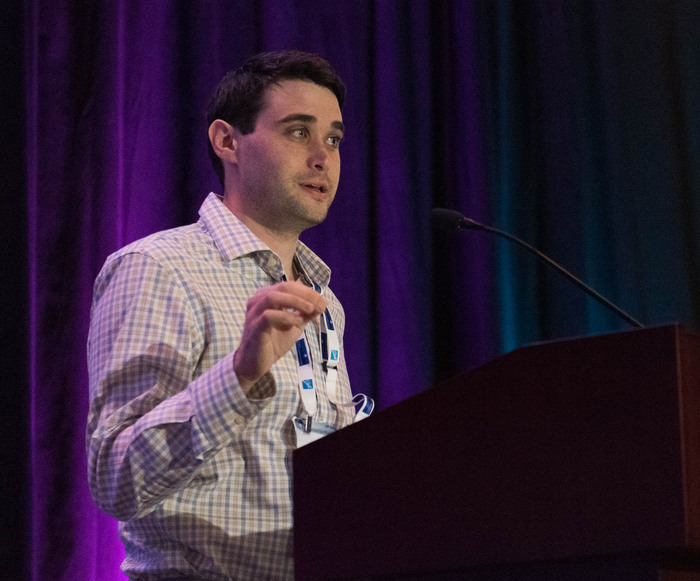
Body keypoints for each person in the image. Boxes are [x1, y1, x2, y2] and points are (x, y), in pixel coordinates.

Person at [87, 50, 370, 580]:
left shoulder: (325, 300)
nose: (322, 158)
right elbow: (115, 479)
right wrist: (239, 376)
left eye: (333, 139)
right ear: (227, 141)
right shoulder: (159, 268)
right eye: (298, 132)